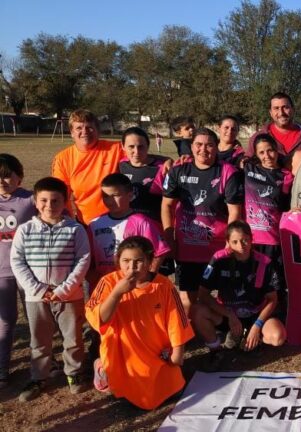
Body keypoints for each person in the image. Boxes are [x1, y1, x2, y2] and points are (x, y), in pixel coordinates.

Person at [85, 236, 194, 409]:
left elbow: (177, 321)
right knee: (126, 396)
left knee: (174, 390)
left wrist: (177, 353)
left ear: (150, 261)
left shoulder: (163, 285)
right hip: (123, 355)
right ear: (118, 261)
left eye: (139, 261)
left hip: (157, 353)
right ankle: (102, 365)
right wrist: (117, 293)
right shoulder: (107, 283)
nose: (132, 267)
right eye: (126, 261)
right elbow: (98, 319)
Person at [11, 177, 91, 401]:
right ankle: (39, 376)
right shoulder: (25, 230)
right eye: (44, 200)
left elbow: (82, 260)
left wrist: (64, 289)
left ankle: (74, 373)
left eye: (55, 200)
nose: (49, 205)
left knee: (73, 338)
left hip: (69, 296)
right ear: (36, 202)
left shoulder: (75, 230)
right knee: (40, 340)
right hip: (36, 299)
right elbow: (18, 262)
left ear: (65, 202)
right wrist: (37, 289)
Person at [162, 127, 243, 314]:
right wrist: (169, 237)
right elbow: (167, 206)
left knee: (224, 294)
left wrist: (229, 245)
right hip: (187, 247)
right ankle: (190, 331)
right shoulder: (178, 171)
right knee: (187, 298)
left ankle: (223, 326)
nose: (203, 149)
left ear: (216, 147)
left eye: (209, 145)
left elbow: (234, 212)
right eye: (198, 144)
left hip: (216, 247)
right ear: (191, 147)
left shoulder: (228, 172)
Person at [191, 222, 286, 371]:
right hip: (227, 315)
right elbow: (203, 295)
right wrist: (229, 314)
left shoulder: (264, 262)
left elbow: (273, 299)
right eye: (235, 242)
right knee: (197, 310)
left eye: (245, 240)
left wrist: (257, 326)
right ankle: (216, 350)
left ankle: (250, 337)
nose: (241, 245)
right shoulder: (219, 260)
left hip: (255, 315)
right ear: (228, 242)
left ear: (251, 239)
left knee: (277, 337)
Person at [242, 133, 293, 319]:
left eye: (270, 150)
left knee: (275, 283)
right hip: (251, 240)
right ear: (256, 154)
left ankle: (278, 318)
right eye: (262, 152)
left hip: (273, 240)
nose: (267, 156)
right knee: (250, 282)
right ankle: (248, 320)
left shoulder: (286, 177)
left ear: (277, 150)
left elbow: (287, 205)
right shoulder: (248, 169)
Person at [88, 173, 170, 279]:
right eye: (106, 196)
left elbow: (159, 252)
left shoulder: (141, 222)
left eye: (115, 196)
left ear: (130, 195)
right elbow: (86, 258)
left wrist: (147, 277)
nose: (110, 201)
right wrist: (92, 278)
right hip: (104, 286)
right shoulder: (94, 224)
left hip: (132, 286)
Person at [51, 109, 124, 225]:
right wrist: (67, 223)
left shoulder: (116, 149)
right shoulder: (63, 159)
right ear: (72, 132)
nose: (84, 132)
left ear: (97, 130)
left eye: (89, 127)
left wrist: (163, 163)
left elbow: (141, 158)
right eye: (79, 128)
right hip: (87, 224)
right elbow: (61, 196)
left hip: (119, 221)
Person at [0, 154, 36, 388]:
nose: (2, 181)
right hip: (1, 272)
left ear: (19, 177)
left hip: (28, 270)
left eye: (7, 175)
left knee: (36, 319)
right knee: (5, 322)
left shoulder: (31, 200)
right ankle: (2, 368)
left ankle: (44, 361)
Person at [118, 127, 170, 223]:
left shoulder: (162, 168)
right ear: (123, 146)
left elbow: (170, 203)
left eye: (141, 147)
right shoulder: (121, 165)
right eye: (131, 147)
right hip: (126, 225)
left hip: (153, 227)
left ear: (148, 146)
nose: (136, 151)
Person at [246, 92, 301, 164]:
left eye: (285, 107)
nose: (281, 113)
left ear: (293, 110)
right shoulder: (257, 138)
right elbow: (248, 163)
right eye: (276, 108)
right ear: (271, 113)